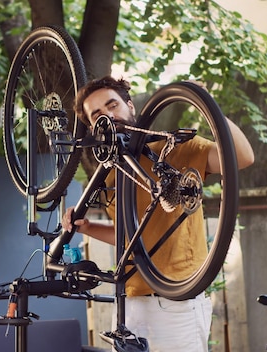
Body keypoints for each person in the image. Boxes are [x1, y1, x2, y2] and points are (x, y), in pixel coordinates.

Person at [62, 76, 255, 351]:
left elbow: (243, 157)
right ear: (94, 128)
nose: (109, 116)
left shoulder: (177, 150)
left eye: (112, 105)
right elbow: (131, 236)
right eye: (98, 115)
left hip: (177, 304)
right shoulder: (112, 174)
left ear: (130, 106)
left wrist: (209, 107)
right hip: (131, 303)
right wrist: (87, 227)